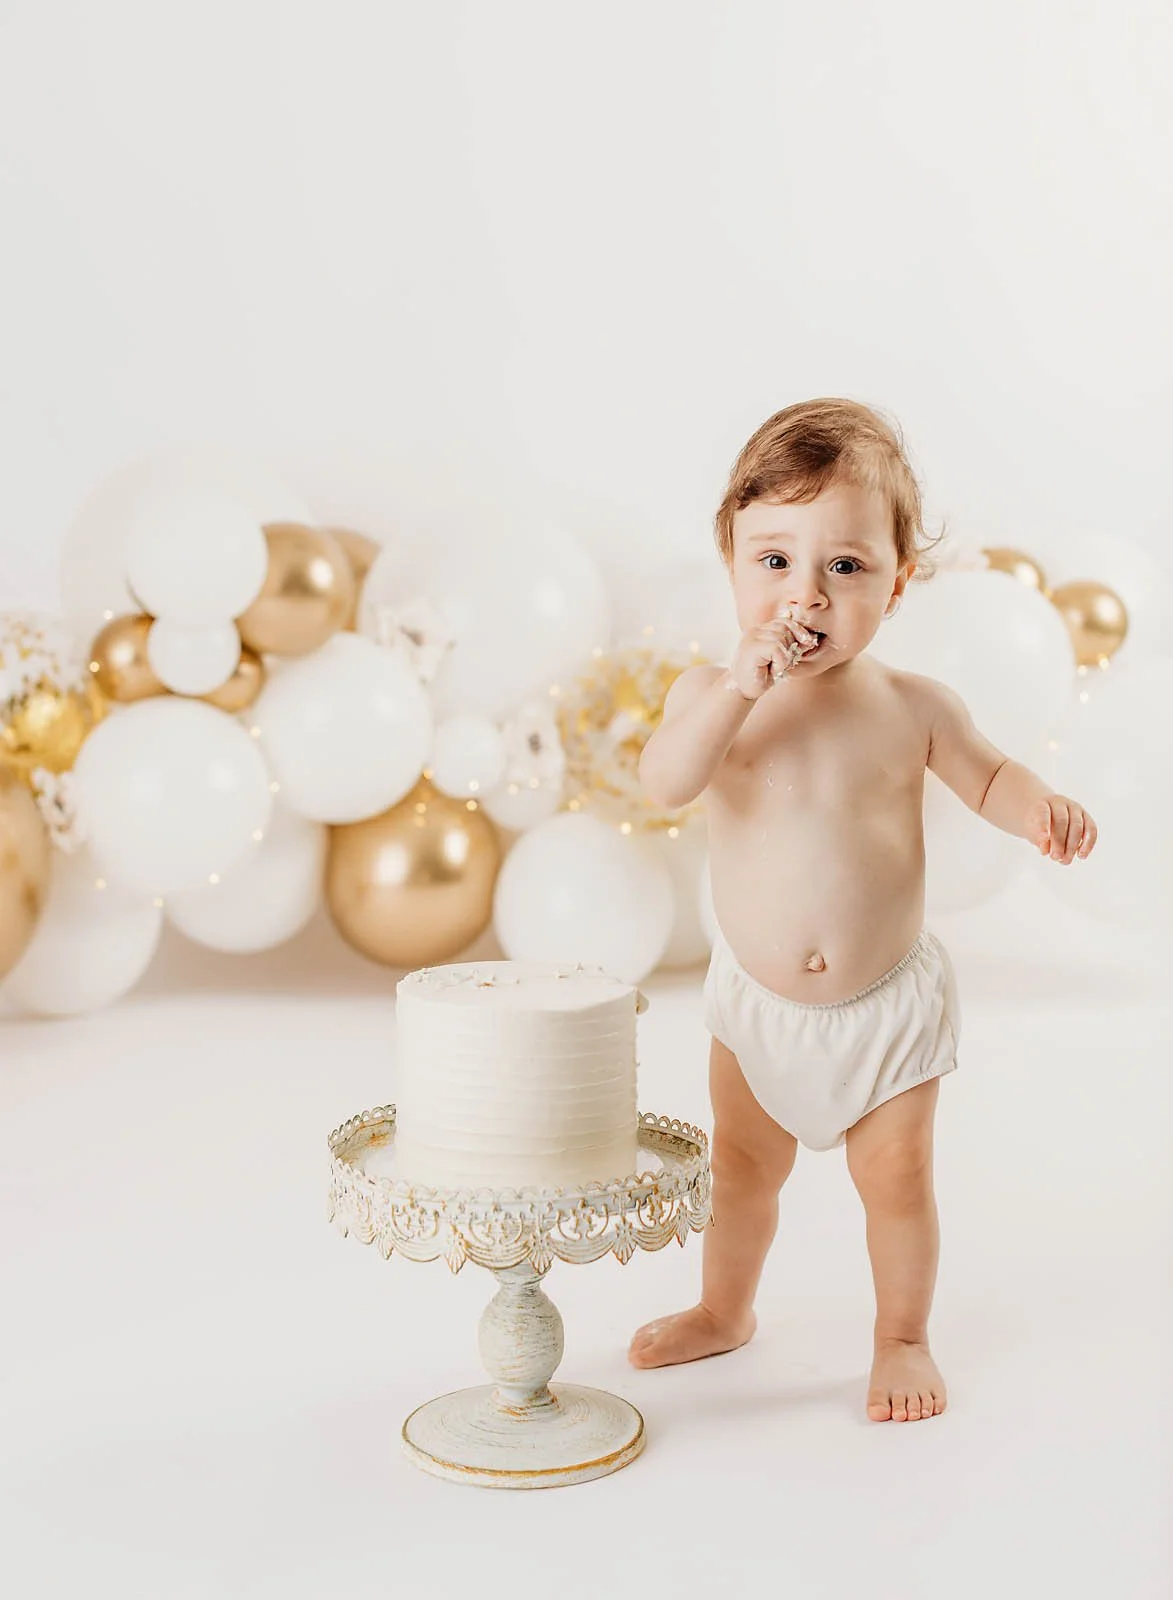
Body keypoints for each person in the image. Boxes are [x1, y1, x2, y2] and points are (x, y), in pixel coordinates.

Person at [628, 398, 1098, 1422]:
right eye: (775, 560)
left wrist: (1039, 811)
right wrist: (735, 694)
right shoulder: (710, 694)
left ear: (899, 579)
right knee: (741, 1169)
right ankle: (724, 1307)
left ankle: (900, 1335)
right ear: (731, 560)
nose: (806, 593)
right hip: (756, 1014)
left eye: (845, 566)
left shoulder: (912, 705)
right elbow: (664, 782)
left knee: (898, 1177)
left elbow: (987, 776)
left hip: (885, 1013)